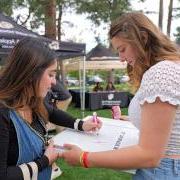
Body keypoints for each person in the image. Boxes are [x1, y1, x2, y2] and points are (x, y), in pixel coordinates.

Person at [60, 12, 180, 179]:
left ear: (143, 39)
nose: (121, 59)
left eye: (122, 49)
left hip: (162, 171)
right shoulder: (172, 66)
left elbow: (149, 155)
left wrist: (84, 157)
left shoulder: (161, 73)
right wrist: (137, 119)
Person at [0, 37, 102, 180]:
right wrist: (45, 161)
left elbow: (53, 113)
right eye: (51, 74)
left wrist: (83, 124)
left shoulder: (32, 101)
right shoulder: (3, 112)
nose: (54, 82)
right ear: (30, 74)